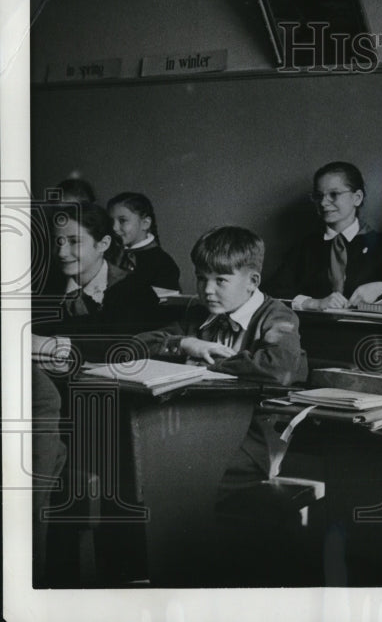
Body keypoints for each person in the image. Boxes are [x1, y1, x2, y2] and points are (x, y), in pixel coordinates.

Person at [136, 227, 307, 486]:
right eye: (201, 278)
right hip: (201, 423)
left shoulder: (278, 316)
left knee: (179, 471)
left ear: (252, 282)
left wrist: (208, 365)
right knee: (145, 458)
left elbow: (279, 367)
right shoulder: (199, 311)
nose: (207, 290)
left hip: (256, 434)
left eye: (221, 280)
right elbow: (139, 344)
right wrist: (185, 343)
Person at [32, 202, 160, 354]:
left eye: (74, 241)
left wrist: (51, 345)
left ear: (103, 244)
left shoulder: (136, 290)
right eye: (58, 242)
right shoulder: (42, 290)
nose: (61, 253)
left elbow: (129, 344)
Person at [267, 161, 382, 310]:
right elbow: (273, 291)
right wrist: (314, 303)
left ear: (357, 198)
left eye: (334, 194)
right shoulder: (306, 247)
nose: (323, 203)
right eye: (319, 196)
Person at [107, 192, 181, 292]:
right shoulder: (111, 255)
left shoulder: (162, 263)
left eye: (122, 221)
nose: (114, 228)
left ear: (145, 223)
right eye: (111, 222)